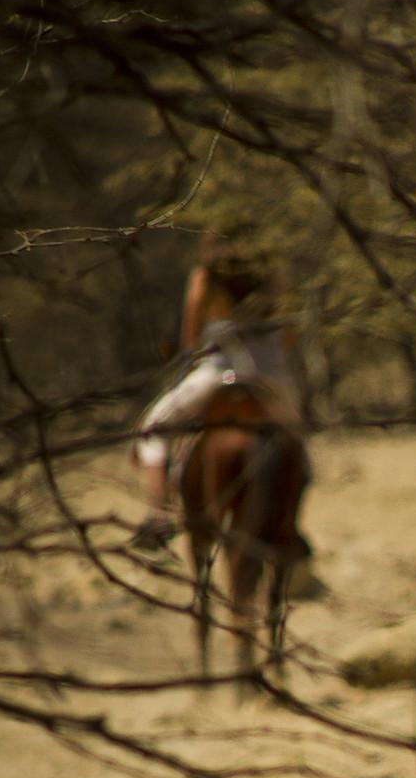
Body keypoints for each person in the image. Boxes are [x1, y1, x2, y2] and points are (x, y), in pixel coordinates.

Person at [130, 234, 307, 552]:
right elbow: (289, 337)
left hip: (216, 374)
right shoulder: (276, 276)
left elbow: (191, 338)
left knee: (153, 429)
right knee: (296, 444)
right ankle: (289, 526)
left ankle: (159, 514)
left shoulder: (205, 276)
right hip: (270, 378)